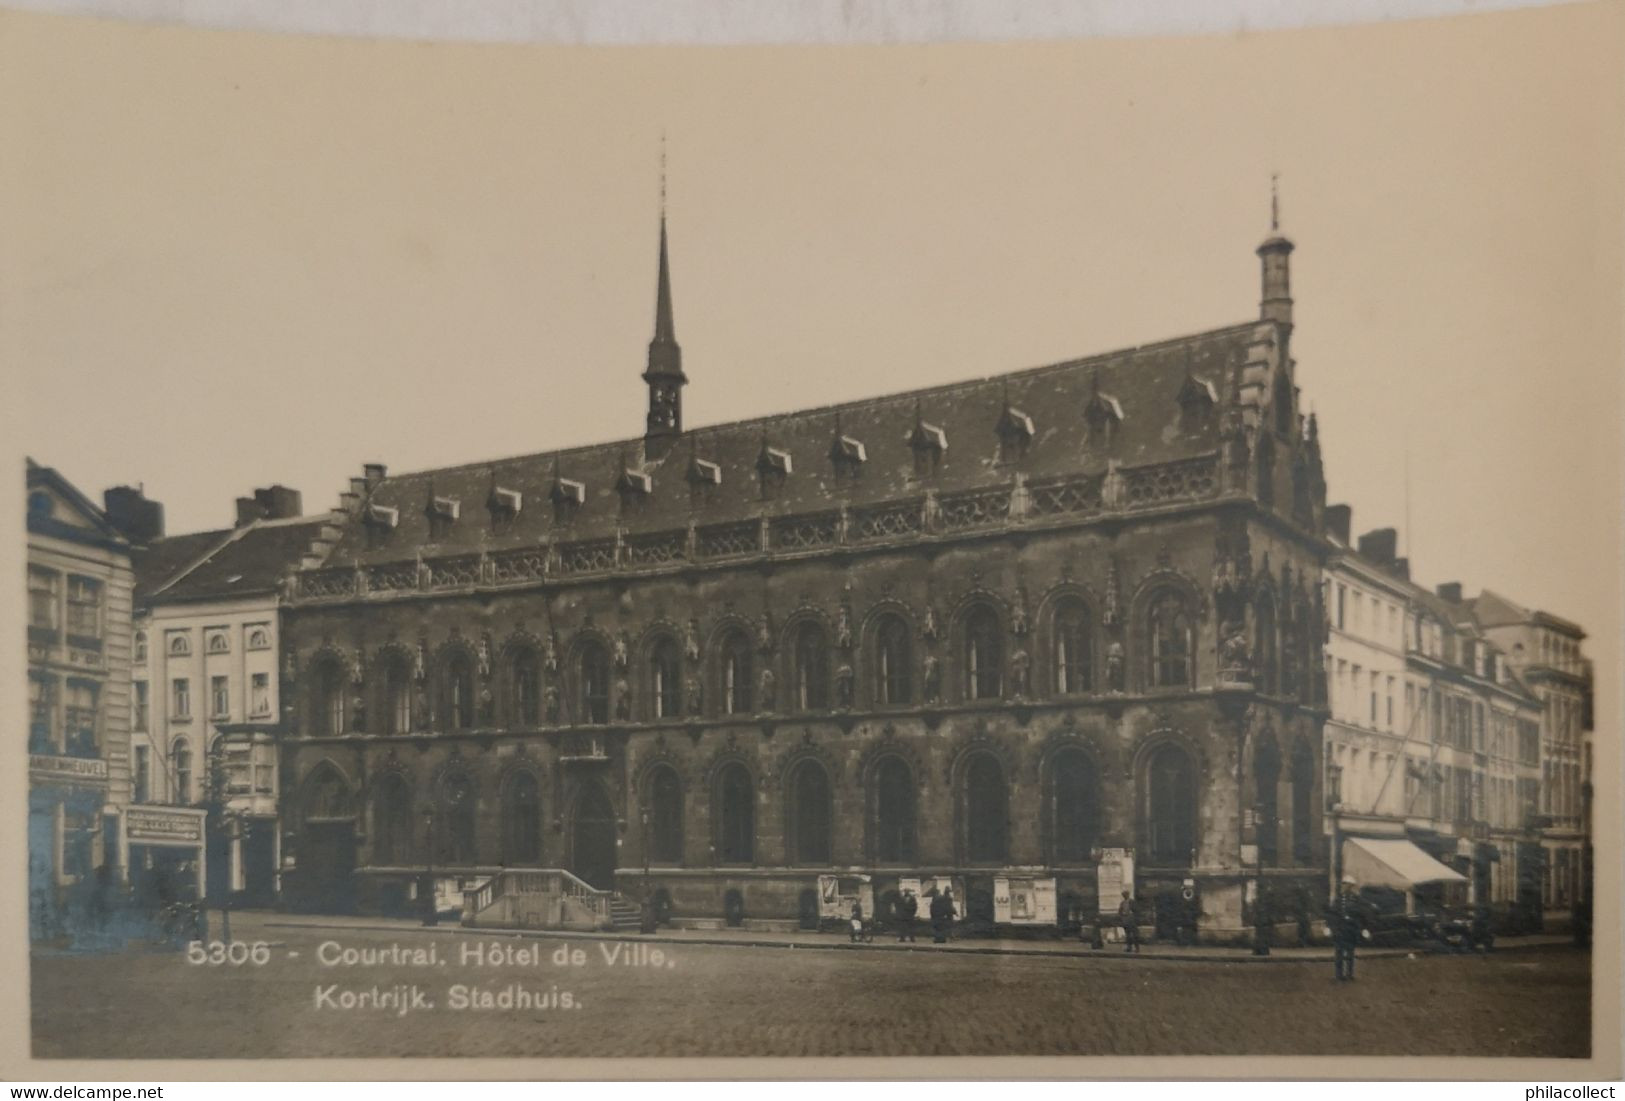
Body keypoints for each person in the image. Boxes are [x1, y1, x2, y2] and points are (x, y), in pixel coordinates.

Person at [1329, 875, 1361, 981]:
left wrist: (1356, 925)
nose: (1344, 886)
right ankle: (1338, 975)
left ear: (1351, 886)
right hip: (1340, 929)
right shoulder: (1338, 898)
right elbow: (1332, 913)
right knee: (1338, 953)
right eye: (1343, 884)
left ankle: (1349, 974)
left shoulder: (1355, 899)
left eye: (1346, 884)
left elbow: (1359, 914)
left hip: (1350, 930)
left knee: (1350, 953)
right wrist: (1332, 927)